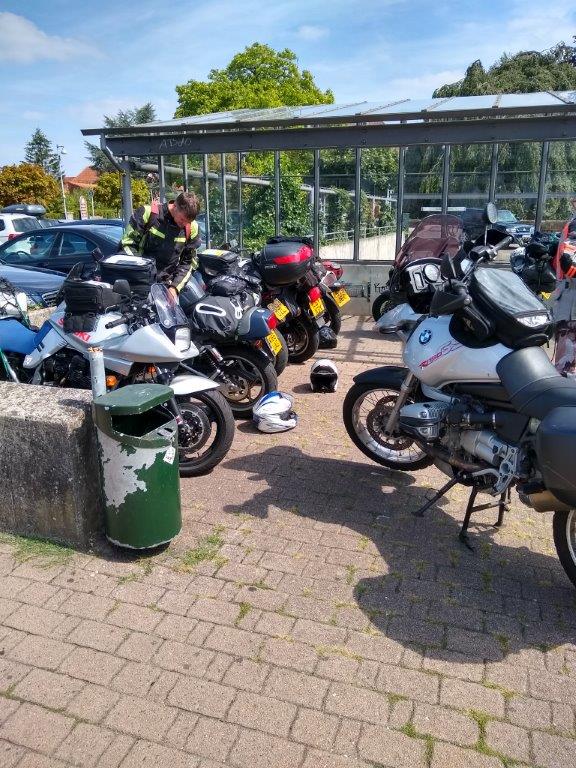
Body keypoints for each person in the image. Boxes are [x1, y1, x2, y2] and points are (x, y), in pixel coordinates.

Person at [120, 191, 202, 298]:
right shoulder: (148, 213)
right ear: (175, 206)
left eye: (188, 221)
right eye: (182, 219)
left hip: (166, 288)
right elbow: (127, 245)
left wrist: (175, 287)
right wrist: (142, 274)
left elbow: (188, 263)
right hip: (139, 283)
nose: (184, 224)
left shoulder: (192, 227)